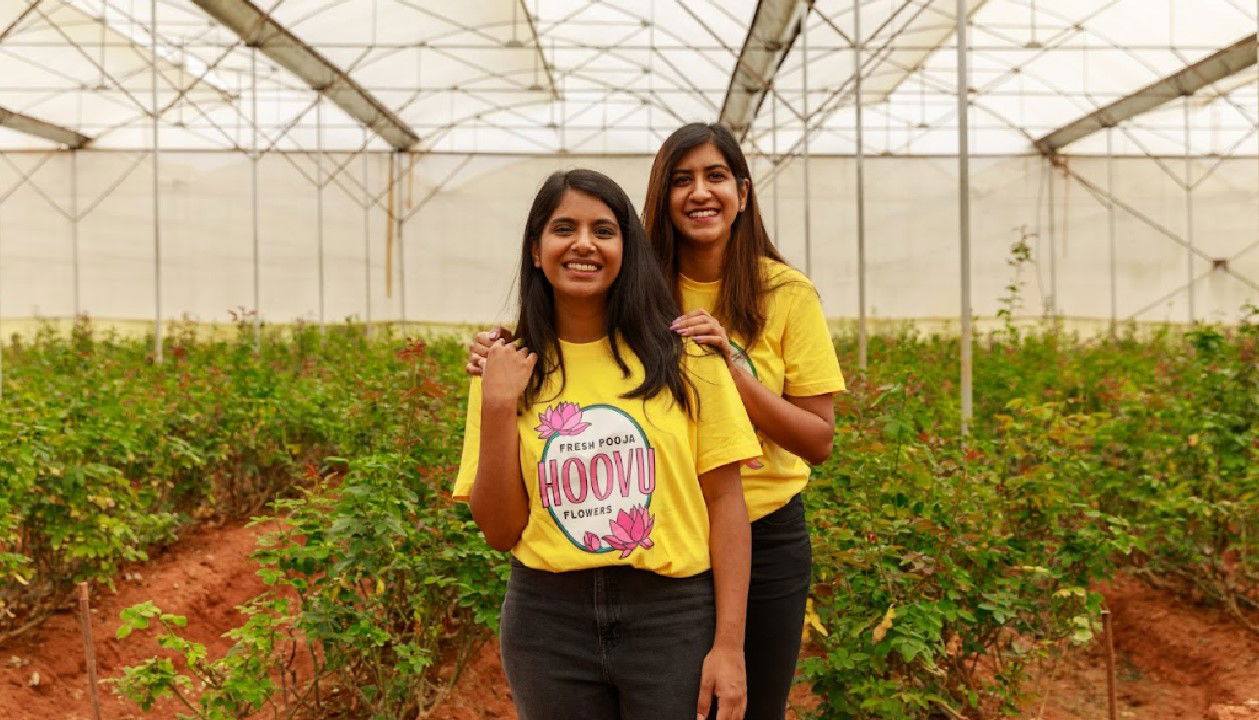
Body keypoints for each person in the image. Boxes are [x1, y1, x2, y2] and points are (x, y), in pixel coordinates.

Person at [468, 124, 844, 720]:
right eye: (681, 179)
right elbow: (500, 523)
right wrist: (496, 388)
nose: (699, 192)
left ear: (744, 193)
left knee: (748, 704)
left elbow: (815, 441)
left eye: (716, 176)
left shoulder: (773, 298)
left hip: (749, 532)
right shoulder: (636, 293)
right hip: (626, 555)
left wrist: (728, 370)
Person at [453, 168, 761, 720]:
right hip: (549, 621)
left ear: (627, 249)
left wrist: (730, 647)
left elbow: (726, 503)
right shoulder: (504, 368)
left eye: (604, 230)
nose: (583, 244)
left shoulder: (687, 359)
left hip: (671, 617)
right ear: (535, 250)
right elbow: (500, 531)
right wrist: (498, 407)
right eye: (563, 228)